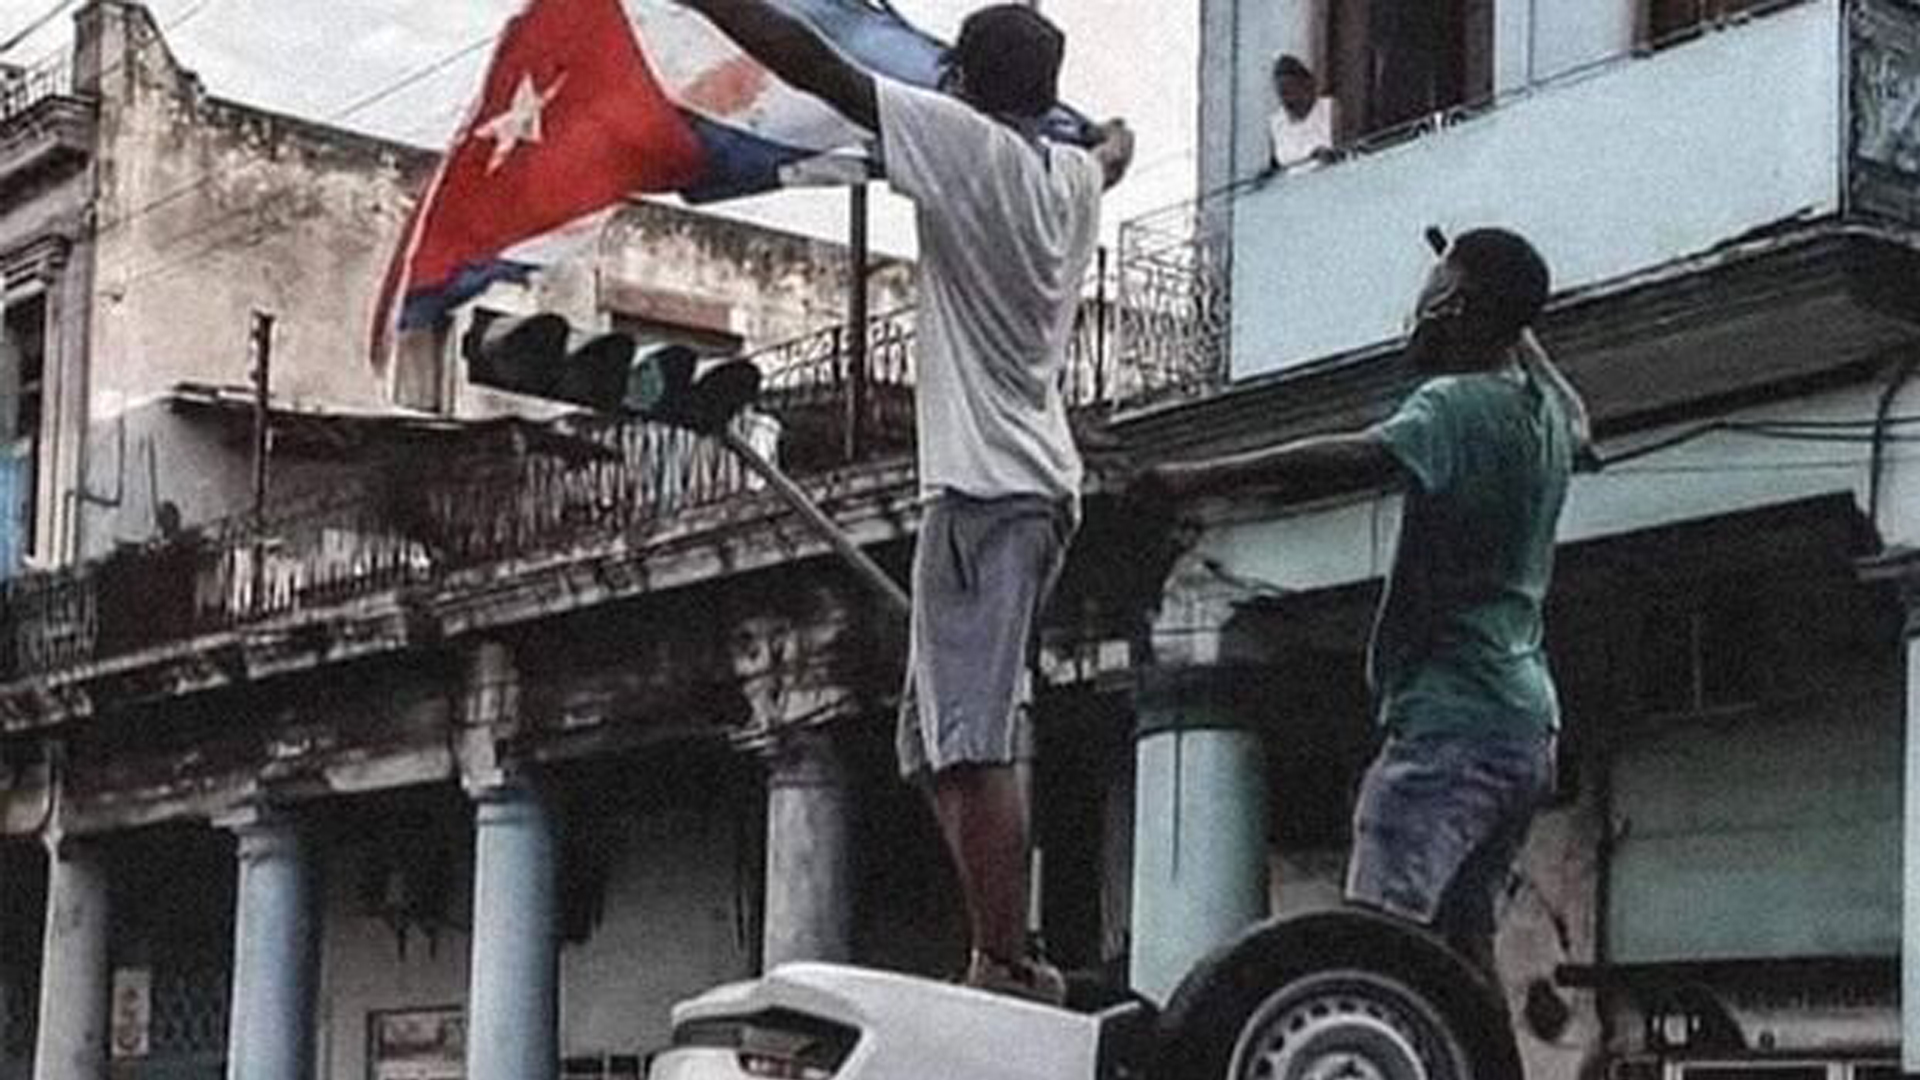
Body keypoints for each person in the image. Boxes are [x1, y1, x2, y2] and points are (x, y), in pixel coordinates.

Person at [684, 0, 1135, 1005]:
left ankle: (1009, 961)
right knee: (929, 740)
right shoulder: (1068, 176)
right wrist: (1101, 130)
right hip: (1016, 482)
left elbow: (821, 66)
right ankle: (996, 940)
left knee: (972, 733)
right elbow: (1117, 148)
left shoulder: (963, 144)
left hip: (989, 485)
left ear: (964, 84)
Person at [1144, 228, 1591, 981]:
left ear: (1453, 305)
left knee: (1372, 961)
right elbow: (1584, 419)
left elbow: (1347, 459)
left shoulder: (1453, 408)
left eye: (1431, 287)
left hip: (1448, 729)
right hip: (1523, 730)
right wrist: (1525, 340)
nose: (1417, 304)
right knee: (1463, 959)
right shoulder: (1544, 415)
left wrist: (1195, 477)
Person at [1268, 54, 1335, 173]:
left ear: (1307, 85)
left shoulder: (1330, 109)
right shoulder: (1276, 122)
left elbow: (1348, 154)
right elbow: (1276, 167)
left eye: (1291, 89)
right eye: (1282, 93)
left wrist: (1329, 156)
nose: (1286, 99)